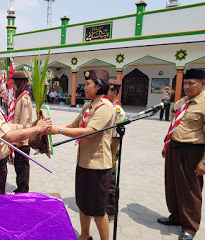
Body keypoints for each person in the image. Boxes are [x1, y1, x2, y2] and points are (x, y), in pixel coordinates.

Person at [0, 60, 52, 240]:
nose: (4, 86)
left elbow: (6, 127)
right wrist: (36, 130)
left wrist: (28, 126)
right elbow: (7, 136)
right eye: (0, 82)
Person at [48, 70, 114, 240]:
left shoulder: (105, 107)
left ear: (98, 86)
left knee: (98, 209)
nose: (84, 88)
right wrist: (52, 129)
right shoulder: (89, 105)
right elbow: (74, 124)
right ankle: (85, 234)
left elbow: (90, 132)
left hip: (98, 165)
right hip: (84, 162)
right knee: (83, 203)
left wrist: (60, 130)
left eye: (88, 84)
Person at [158, 69, 205, 240]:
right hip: (174, 148)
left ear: (202, 83)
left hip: (192, 151)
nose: (187, 87)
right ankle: (176, 217)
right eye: (185, 83)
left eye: (191, 83)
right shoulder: (182, 102)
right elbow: (175, 125)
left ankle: (190, 227)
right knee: (173, 185)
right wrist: (167, 145)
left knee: (190, 190)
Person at [106, 79, 127, 220]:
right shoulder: (105, 107)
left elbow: (117, 137)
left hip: (110, 151)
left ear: (114, 92)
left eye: (106, 90)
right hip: (102, 151)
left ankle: (111, 210)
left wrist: (113, 156)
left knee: (110, 182)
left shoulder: (117, 111)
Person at [10, 71, 32, 193]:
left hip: (22, 141)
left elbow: (24, 121)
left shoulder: (24, 98)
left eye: (14, 83)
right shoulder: (19, 97)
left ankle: (23, 190)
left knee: (22, 166)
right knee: (18, 166)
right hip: (18, 139)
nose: (13, 86)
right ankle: (20, 187)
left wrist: (20, 140)